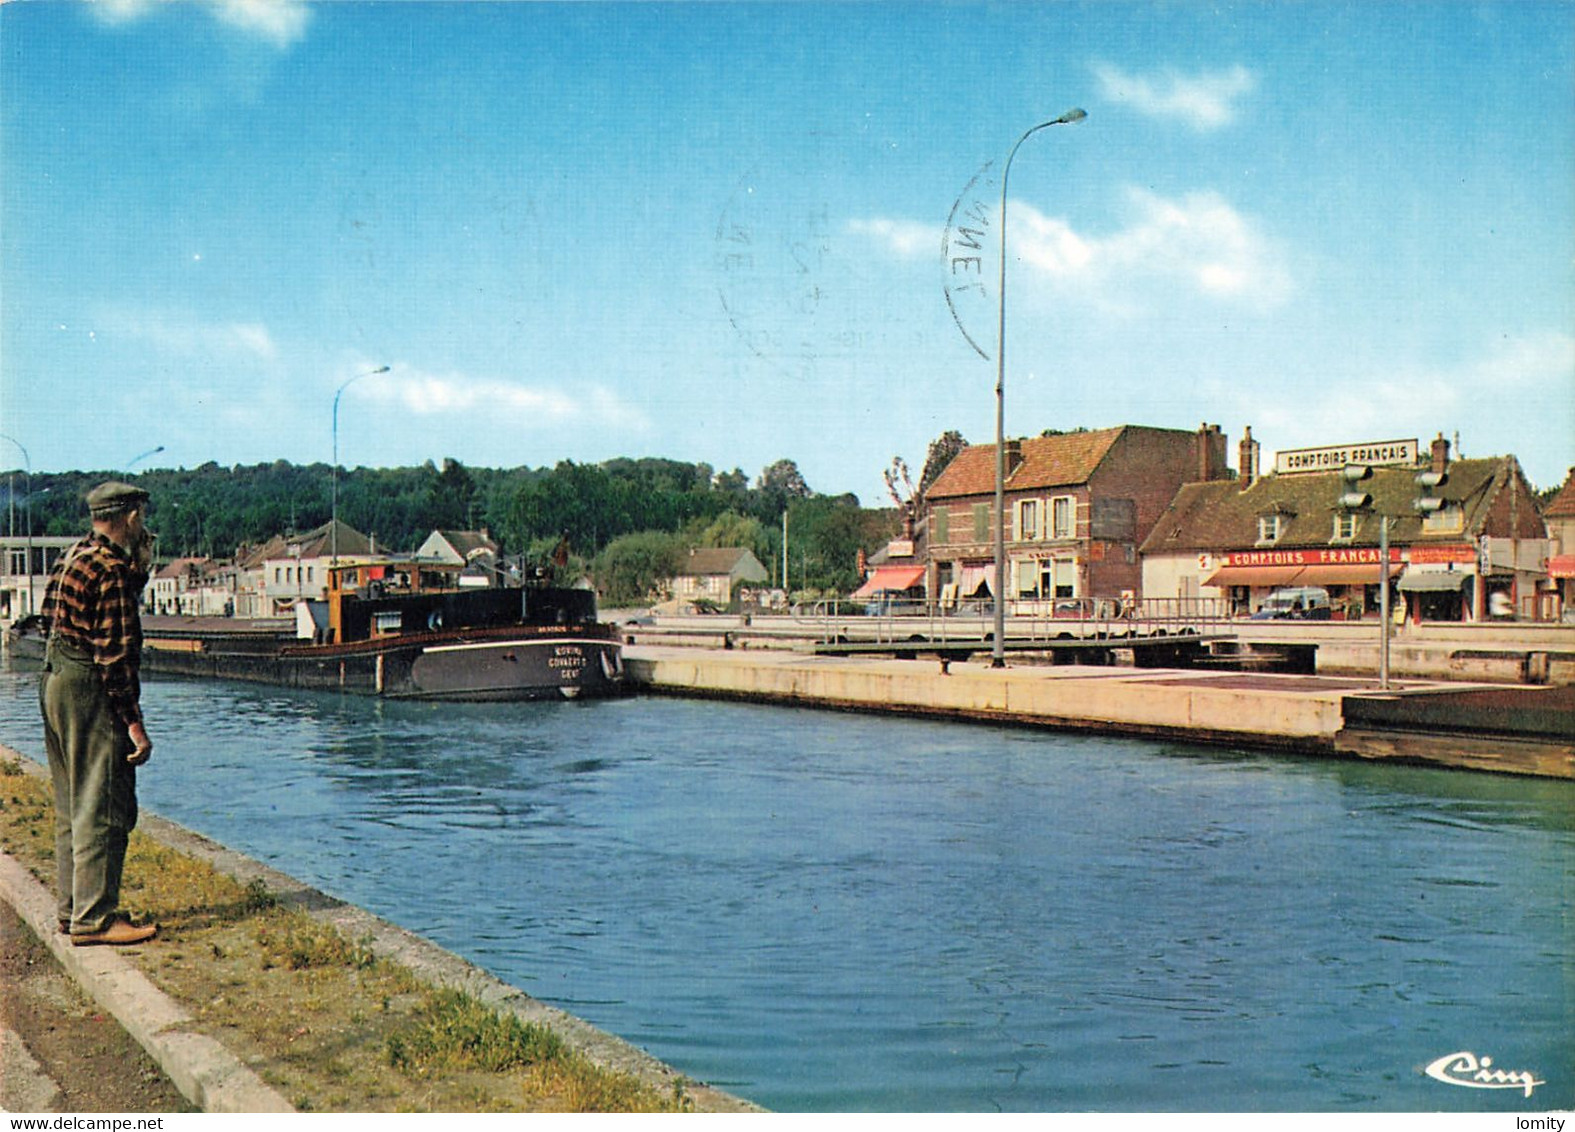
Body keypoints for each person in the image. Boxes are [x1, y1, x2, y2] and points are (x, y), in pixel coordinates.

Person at [38, 481, 158, 946]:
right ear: (128, 517)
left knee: (72, 803)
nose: (143, 525)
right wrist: (134, 724)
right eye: (140, 517)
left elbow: (49, 617)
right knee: (103, 802)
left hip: (54, 680)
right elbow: (115, 657)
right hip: (89, 689)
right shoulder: (112, 571)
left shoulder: (74, 556)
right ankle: (97, 919)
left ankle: (73, 909)